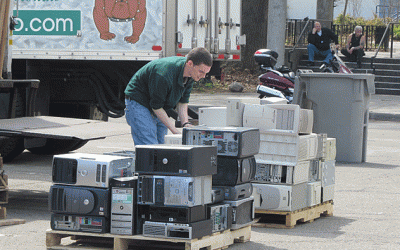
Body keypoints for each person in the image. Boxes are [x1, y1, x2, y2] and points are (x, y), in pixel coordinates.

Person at [124, 47, 213, 145]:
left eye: (206, 73)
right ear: (190, 64)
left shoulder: (191, 74)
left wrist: (185, 123)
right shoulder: (164, 74)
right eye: (201, 71)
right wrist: (175, 131)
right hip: (139, 102)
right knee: (150, 146)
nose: (203, 76)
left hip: (159, 105)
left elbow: (183, 101)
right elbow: (156, 107)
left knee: (163, 145)